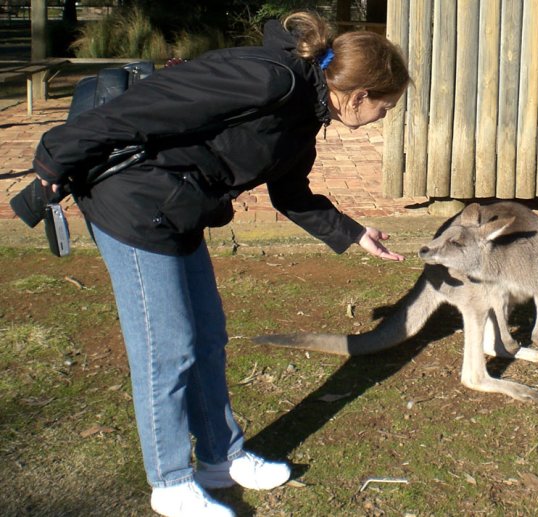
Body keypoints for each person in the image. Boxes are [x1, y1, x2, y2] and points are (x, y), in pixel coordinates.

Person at [32, 10, 410, 517]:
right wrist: (57, 154)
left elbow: (290, 193)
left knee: (207, 337)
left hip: (177, 206)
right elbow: (148, 104)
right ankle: (169, 482)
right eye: (385, 108)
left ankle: (220, 456)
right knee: (166, 349)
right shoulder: (269, 78)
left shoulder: (306, 111)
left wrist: (354, 232)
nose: (383, 119)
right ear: (359, 95)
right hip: (132, 202)